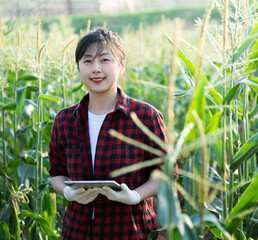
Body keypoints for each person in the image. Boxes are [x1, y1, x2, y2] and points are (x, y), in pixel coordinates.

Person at [48, 27, 173, 240]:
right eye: (87, 61)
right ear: (78, 67)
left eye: (105, 60)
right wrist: (67, 192)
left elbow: (166, 173)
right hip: (77, 231)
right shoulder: (65, 120)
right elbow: (57, 173)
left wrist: (135, 195)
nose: (96, 69)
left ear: (121, 65)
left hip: (130, 230)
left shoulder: (145, 117)